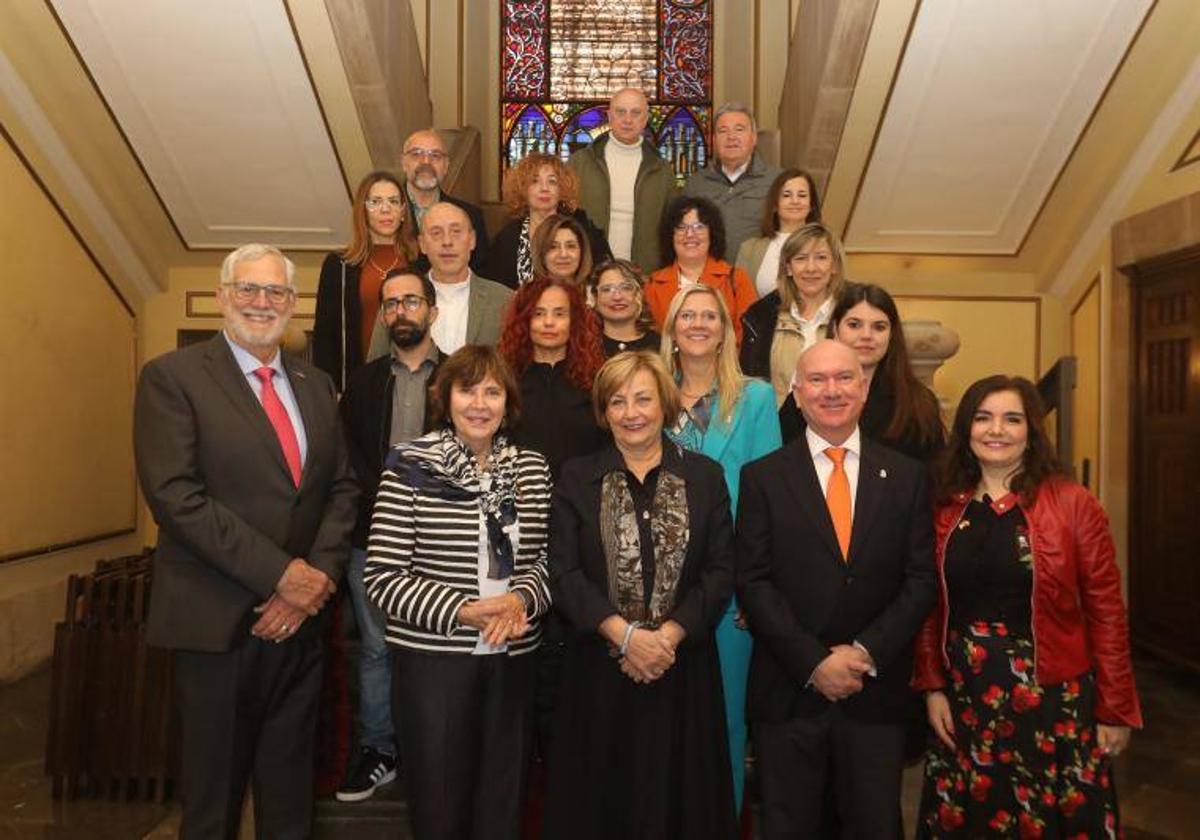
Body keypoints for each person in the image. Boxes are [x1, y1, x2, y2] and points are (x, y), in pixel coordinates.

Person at [134, 244, 358, 838]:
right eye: (249, 290)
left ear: (293, 305)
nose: (263, 303)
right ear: (222, 296)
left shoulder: (316, 385)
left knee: (290, 802)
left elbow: (341, 489)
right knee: (214, 805)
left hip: (301, 627)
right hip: (218, 626)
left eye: (277, 292)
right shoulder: (172, 378)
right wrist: (282, 576)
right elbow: (176, 497)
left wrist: (317, 580)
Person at [912, 376, 1142, 838]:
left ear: (1032, 430)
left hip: (1052, 700)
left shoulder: (1075, 505)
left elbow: (1106, 611)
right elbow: (926, 605)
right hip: (965, 699)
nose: (996, 429)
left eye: (1011, 419)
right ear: (966, 429)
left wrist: (1115, 707)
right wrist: (932, 685)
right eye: (983, 417)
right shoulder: (941, 506)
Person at [736, 340, 937, 838]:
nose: (832, 391)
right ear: (797, 394)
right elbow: (753, 581)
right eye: (818, 380)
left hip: (876, 693)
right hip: (789, 692)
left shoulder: (908, 478)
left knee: (875, 825)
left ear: (864, 388)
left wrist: (865, 653)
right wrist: (813, 662)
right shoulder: (761, 478)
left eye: (844, 378)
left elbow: (920, 580)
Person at [543, 351, 738, 840]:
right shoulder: (575, 476)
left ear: (665, 404)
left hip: (683, 669)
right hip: (598, 671)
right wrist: (625, 635)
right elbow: (563, 572)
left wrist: (665, 636)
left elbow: (720, 570)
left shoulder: (705, 476)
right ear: (603, 411)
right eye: (617, 401)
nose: (631, 413)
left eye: (643, 399)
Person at [364, 346, 552, 840]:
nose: (479, 403)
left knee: (502, 801)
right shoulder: (409, 463)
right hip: (434, 664)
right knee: (440, 804)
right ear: (443, 397)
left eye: (492, 391)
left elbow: (553, 562)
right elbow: (382, 575)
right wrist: (462, 611)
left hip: (512, 658)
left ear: (507, 402)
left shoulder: (531, 467)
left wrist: (521, 601)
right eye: (467, 390)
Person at [661, 285, 781, 815]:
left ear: (726, 330)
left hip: (728, 586)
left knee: (726, 719)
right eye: (688, 315)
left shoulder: (754, 397)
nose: (699, 323)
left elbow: (766, 498)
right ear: (671, 328)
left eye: (711, 315)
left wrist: (754, 591)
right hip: (658, 586)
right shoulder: (652, 392)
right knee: (664, 724)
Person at [336, 269, 442, 802]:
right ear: (383, 315)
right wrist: (393, 503)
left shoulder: (460, 378)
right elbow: (349, 459)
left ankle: (432, 749)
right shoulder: (363, 382)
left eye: (412, 301)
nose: (402, 311)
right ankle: (379, 749)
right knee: (377, 649)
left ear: (432, 310)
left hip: (445, 540)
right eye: (392, 303)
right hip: (372, 539)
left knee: (438, 648)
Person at [779, 283, 946, 464]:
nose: (866, 335)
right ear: (835, 328)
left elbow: (934, 478)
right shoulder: (806, 396)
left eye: (879, 327)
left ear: (892, 335)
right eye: (854, 325)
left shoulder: (919, 403)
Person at [314, 170, 419, 391]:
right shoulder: (338, 266)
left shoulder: (420, 263)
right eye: (375, 202)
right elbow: (325, 337)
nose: (385, 209)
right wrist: (329, 390)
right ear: (363, 211)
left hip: (412, 379)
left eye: (393, 201)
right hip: (356, 381)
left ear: (403, 212)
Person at [368, 202, 511, 359]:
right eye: (436, 233)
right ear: (422, 244)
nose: (447, 242)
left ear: (472, 240)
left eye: (456, 232)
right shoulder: (396, 300)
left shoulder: (504, 300)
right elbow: (375, 368)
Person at [499, 276, 608, 480]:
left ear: (574, 321)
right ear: (524, 320)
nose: (549, 322)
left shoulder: (597, 380)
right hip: (521, 497)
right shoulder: (503, 379)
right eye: (538, 313)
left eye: (559, 314)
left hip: (583, 498)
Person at [569, 86, 676, 270]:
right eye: (621, 112)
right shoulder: (580, 162)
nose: (627, 120)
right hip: (589, 269)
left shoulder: (662, 169)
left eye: (635, 113)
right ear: (609, 116)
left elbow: (671, 226)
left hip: (643, 273)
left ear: (645, 120)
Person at [740, 223, 845, 404]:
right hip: (775, 425)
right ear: (788, 268)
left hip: (835, 423)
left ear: (834, 266)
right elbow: (748, 386)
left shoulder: (851, 317)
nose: (811, 268)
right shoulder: (761, 318)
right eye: (801, 258)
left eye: (821, 257)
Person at [486, 152, 611, 289]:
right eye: (535, 181)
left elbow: (606, 275)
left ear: (562, 189)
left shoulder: (584, 230)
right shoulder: (507, 237)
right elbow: (494, 288)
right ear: (522, 189)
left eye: (552, 181)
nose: (544, 188)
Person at [645, 195, 757, 346]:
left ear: (712, 234)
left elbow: (748, 336)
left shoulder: (736, 279)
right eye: (681, 227)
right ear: (670, 235)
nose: (690, 234)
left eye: (699, 227)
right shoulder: (653, 284)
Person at [682, 102, 780, 262]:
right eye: (723, 131)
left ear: (754, 138)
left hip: (757, 281)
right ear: (713, 140)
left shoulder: (777, 182)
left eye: (739, 129)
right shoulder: (695, 184)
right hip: (707, 280)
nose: (731, 137)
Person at [400, 128, 489, 273]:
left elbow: (480, 276)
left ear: (446, 166)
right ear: (404, 163)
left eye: (435, 156)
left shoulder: (472, 216)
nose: (426, 162)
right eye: (416, 154)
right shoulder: (386, 214)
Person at [735, 168, 823, 298]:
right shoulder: (749, 249)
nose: (795, 201)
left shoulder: (827, 245)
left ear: (812, 205)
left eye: (802, 195)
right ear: (775, 204)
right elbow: (738, 299)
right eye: (787, 195)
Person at [588, 258, 660, 356]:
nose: (617, 297)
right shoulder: (584, 346)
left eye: (626, 288)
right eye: (607, 289)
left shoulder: (660, 346)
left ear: (640, 294)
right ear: (595, 298)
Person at [529, 213, 594, 287]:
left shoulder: (598, 296)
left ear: (582, 252)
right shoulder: (526, 297)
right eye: (553, 247)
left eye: (571, 246)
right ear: (540, 254)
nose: (563, 254)